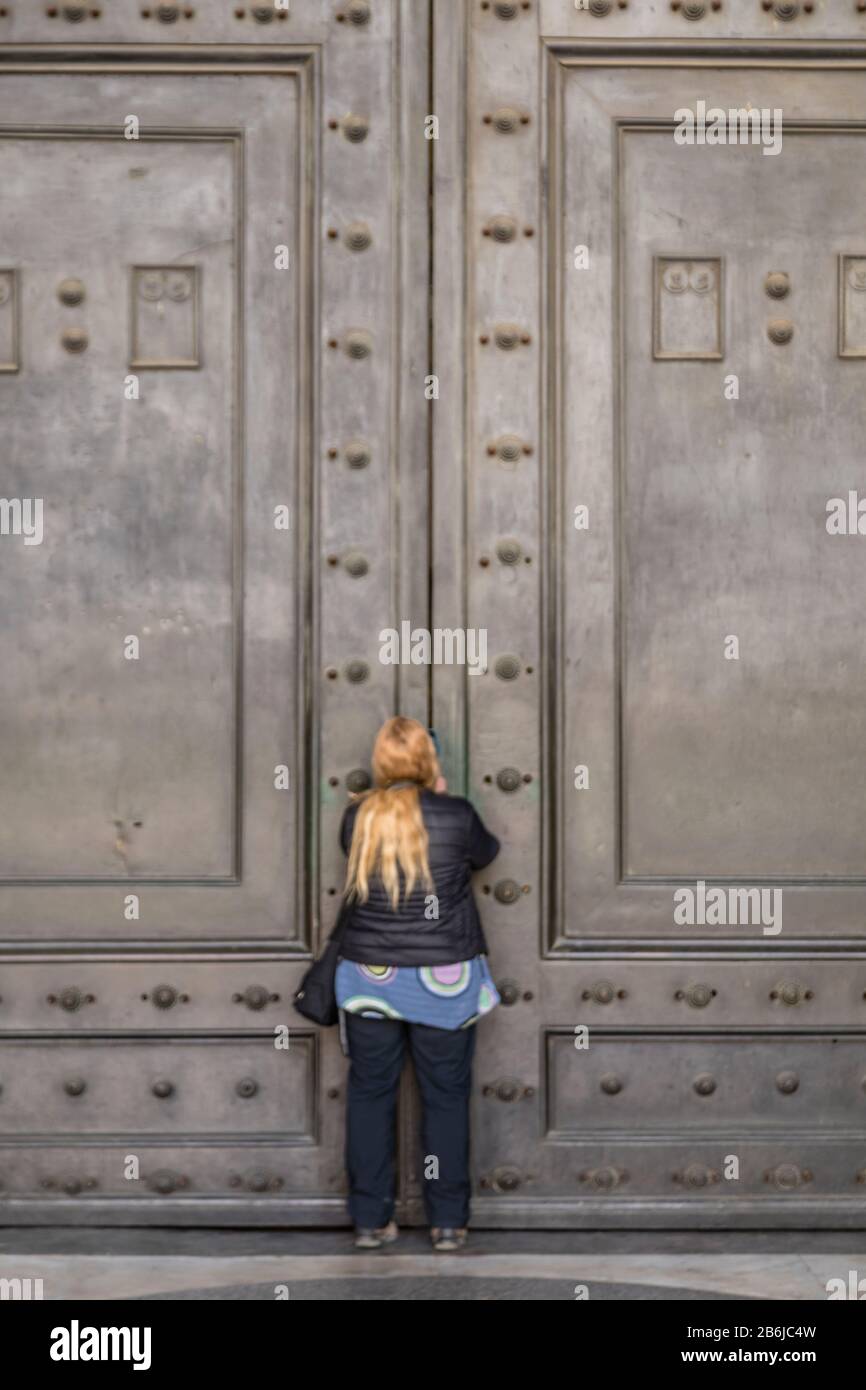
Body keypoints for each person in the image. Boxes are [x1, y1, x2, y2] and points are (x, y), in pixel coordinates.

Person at [336, 715, 500, 1252]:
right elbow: (486, 854)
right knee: (446, 1098)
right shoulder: (457, 815)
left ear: (380, 762)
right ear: (431, 762)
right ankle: (448, 1221)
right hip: (444, 976)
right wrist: (443, 797)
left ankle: (369, 1220)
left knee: (370, 1096)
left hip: (369, 976)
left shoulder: (358, 817)